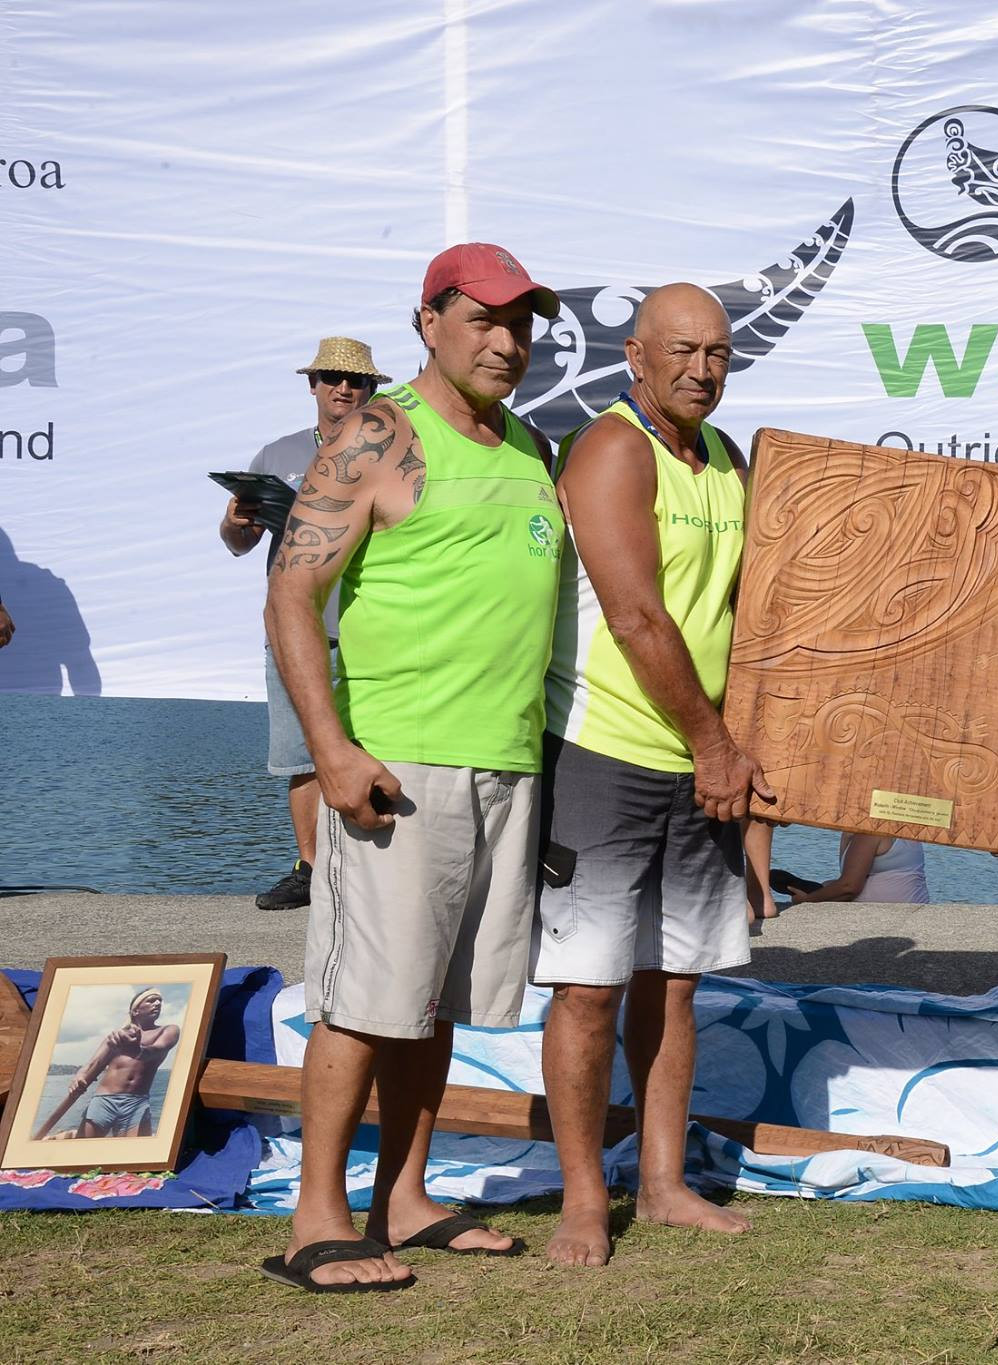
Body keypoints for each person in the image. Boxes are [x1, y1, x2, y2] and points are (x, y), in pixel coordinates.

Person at [261, 243, 564, 1293]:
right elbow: (290, 599)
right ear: (427, 322)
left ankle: (404, 1196)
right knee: (360, 998)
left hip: (505, 763)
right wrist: (332, 750)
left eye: (520, 322)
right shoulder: (379, 435)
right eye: (482, 318)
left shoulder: (533, 447)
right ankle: (314, 1219)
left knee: (430, 1002)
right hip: (399, 765)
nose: (505, 340)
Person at [533, 282, 774, 1268]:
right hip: (606, 751)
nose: (700, 371)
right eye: (680, 351)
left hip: (702, 762)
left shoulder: (727, 457)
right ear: (635, 354)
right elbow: (635, 619)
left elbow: (759, 619)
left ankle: (665, 1184)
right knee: (589, 989)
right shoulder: (612, 448)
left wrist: (743, 757)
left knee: (673, 986)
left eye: (716, 354)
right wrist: (715, 747)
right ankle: (586, 1200)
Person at [220, 338, 389, 912]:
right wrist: (236, 523)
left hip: (373, 626)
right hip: (296, 629)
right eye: (331, 377)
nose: (344, 388)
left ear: (373, 389)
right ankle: (312, 868)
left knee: (379, 746)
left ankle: (372, 870)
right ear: (312, 384)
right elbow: (239, 545)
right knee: (300, 755)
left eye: (356, 380)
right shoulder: (277, 453)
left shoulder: (394, 450)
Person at [32, 989, 181, 1139]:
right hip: (104, 1099)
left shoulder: (169, 1030)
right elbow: (93, 1063)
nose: (157, 1003)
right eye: (151, 1000)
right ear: (135, 1010)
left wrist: (137, 1050)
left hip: (136, 1102)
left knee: (131, 1154)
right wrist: (80, 1076)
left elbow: (156, 1050)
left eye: (159, 1001)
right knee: (82, 1148)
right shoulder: (117, 1036)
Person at [780, 833, 931, 905]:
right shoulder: (905, 828)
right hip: (909, 906)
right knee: (827, 884)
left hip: (889, 914)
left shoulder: (871, 833)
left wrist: (807, 900)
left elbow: (849, 887)